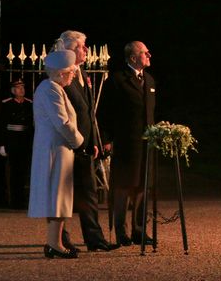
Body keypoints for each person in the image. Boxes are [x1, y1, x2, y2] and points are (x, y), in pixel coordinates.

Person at [58, 30, 119, 252]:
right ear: (69, 50)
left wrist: (95, 140)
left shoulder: (82, 73)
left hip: (85, 145)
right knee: (63, 195)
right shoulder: (61, 75)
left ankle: (94, 238)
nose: (85, 50)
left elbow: (89, 113)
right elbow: (64, 114)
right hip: (67, 144)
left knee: (89, 193)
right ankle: (60, 239)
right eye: (82, 46)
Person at [98, 41, 155, 246]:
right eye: (144, 52)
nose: (149, 54)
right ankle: (121, 231)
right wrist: (106, 140)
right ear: (132, 57)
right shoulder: (117, 80)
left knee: (142, 187)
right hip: (124, 143)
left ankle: (139, 230)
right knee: (122, 187)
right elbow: (102, 113)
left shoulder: (149, 80)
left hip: (145, 145)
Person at [28, 49, 83, 259]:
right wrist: (79, 141)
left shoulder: (53, 88)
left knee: (58, 197)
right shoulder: (50, 89)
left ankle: (55, 242)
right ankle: (54, 244)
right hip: (55, 150)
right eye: (71, 72)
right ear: (61, 73)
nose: (73, 76)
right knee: (56, 197)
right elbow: (62, 122)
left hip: (58, 149)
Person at [0, 79, 34, 209]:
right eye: (18, 88)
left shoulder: (29, 104)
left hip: (25, 141)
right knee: (13, 172)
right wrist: (2, 144)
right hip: (12, 142)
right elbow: (2, 125)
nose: (21, 90)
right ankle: (13, 200)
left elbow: (31, 126)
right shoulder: (7, 104)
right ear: (13, 91)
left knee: (24, 171)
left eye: (23, 87)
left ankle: (22, 199)